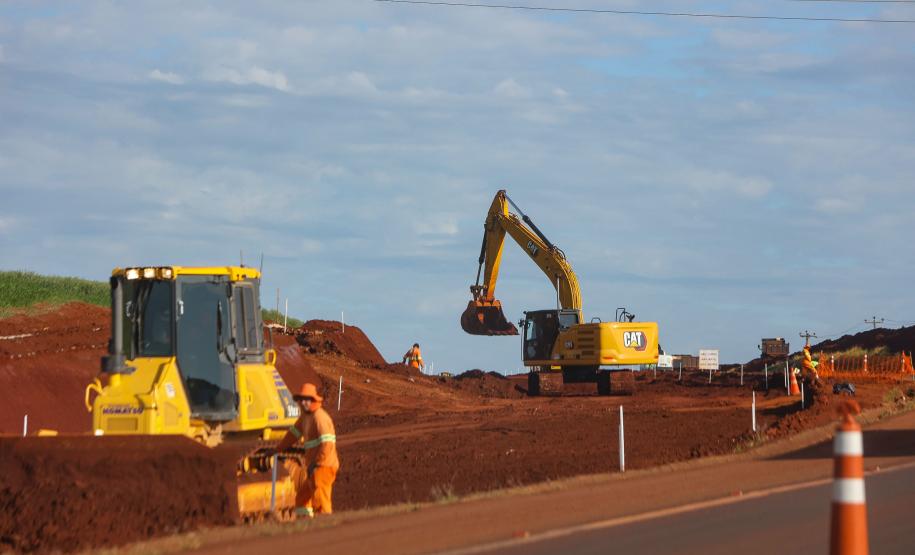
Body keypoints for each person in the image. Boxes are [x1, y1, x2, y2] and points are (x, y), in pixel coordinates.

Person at [273, 383, 339, 518]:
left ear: (313, 400)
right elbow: (292, 435)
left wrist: (316, 463)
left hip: (323, 467)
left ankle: (325, 528)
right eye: (301, 400)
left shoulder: (320, 417)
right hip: (313, 468)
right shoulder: (305, 418)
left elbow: (327, 444)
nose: (303, 403)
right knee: (302, 500)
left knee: (321, 501)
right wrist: (276, 449)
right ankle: (305, 526)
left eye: (306, 400)